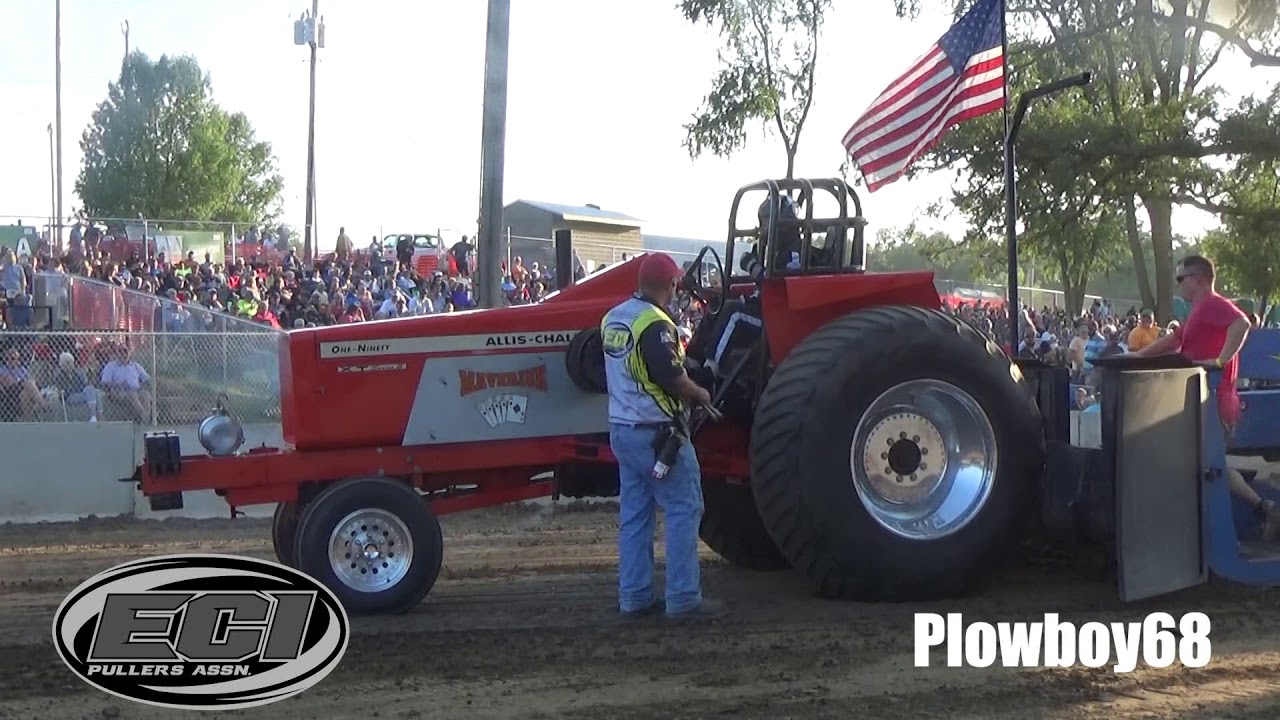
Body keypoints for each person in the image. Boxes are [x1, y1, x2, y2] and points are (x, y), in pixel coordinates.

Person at [600, 252, 725, 619]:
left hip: (622, 430)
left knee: (636, 514)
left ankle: (635, 597)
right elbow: (669, 376)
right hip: (658, 433)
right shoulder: (656, 322)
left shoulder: (614, 317)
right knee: (684, 508)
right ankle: (684, 599)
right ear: (671, 286)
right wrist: (701, 393)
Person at [1129, 255, 1280, 540]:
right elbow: (1173, 341)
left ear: (1197, 278)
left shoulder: (1212, 303)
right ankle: (1264, 509)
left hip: (1215, 399)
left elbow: (1241, 324)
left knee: (1203, 464)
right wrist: (1136, 356)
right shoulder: (1199, 310)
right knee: (1204, 463)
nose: (1178, 285)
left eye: (1180, 279)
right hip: (1200, 398)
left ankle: (1250, 514)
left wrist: (1220, 361)